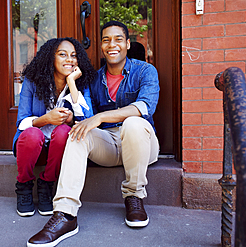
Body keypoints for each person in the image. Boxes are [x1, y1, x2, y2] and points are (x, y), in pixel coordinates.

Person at [27, 21, 160, 247]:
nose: (112, 45)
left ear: (127, 44)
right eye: (106, 40)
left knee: (133, 123)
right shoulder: (95, 78)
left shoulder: (145, 70)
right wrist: (76, 111)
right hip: (108, 144)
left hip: (141, 144)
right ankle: (65, 214)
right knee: (77, 132)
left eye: (118, 39)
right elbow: (84, 117)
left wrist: (99, 117)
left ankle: (134, 196)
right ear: (101, 47)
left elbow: (144, 107)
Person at [12, 37, 96, 217]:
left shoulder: (80, 84)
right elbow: (22, 122)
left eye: (73, 56)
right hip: (33, 149)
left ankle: (46, 184)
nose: (70, 60)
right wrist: (46, 119)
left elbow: (87, 119)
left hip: (59, 152)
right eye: (62, 54)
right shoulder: (32, 82)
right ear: (51, 58)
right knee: (32, 134)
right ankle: (24, 186)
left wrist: (72, 83)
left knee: (66, 131)